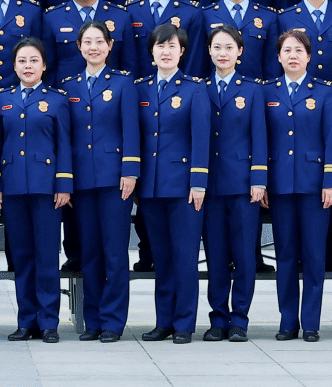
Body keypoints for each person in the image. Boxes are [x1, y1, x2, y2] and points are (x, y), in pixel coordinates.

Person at [134, 24, 210, 344]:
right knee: (161, 258)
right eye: (160, 46)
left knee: (184, 257)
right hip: (151, 188)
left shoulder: (194, 89)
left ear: (182, 52)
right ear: (151, 51)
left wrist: (198, 182)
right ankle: (163, 321)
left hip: (184, 189)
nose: (166, 52)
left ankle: (184, 323)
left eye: (172, 46)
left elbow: (201, 139)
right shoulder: (140, 89)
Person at [0, 40, 72, 342]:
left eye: (34, 60)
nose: (28, 66)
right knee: (21, 256)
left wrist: (64, 184)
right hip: (12, 188)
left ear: (44, 66)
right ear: (14, 66)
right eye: (22, 61)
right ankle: (26, 320)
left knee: (47, 255)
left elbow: (64, 145)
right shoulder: (2, 100)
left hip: (47, 188)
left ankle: (49, 321)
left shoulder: (57, 100)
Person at [63, 22, 137, 342]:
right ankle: (92, 319)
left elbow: (131, 129)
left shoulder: (122, 83)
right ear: (79, 47)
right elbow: (65, 136)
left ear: (110, 46)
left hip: (114, 179)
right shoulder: (69, 86)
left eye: (99, 42)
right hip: (81, 180)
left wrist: (130, 171)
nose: (93, 47)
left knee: (115, 253)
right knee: (89, 252)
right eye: (87, 42)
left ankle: (113, 321)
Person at [265, 29, 332, 342]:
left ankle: (310, 323)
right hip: (280, 185)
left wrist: (331, 181)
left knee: (313, 256)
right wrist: (262, 182)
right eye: (287, 51)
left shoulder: (324, 93)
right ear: (278, 56)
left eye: (298, 51)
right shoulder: (266, 92)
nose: (292, 56)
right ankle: (287, 321)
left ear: (309, 56)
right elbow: (262, 140)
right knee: (284, 255)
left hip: (314, 186)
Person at [200, 25, 267, 342]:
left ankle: (239, 318)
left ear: (240, 52)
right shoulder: (200, 88)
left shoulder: (252, 90)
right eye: (217, 47)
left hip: (243, 186)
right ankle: (218, 318)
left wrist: (259, 179)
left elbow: (259, 137)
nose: (222, 53)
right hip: (210, 186)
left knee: (243, 255)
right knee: (215, 256)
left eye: (229, 47)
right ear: (209, 52)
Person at [42, 0, 129, 84]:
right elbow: (48, 69)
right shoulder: (52, 18)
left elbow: (129, 65)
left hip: (111, 93)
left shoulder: (121, 16)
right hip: (67, 93)